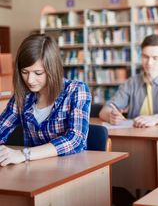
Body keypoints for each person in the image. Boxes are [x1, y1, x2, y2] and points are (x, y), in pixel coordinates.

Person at [0, 34, 91, 166]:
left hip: (71, 169)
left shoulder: (76, 90)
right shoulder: (23, 95)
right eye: (25, 72)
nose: (30, 80)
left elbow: (75, 140)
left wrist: (23, 154)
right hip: (32, 170)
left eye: (38, 73)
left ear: (52, 69)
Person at [99, 34, 158, 127]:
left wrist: (155, 118)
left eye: (155, 58)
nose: (149, 63)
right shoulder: (131, 83)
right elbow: (104, 110)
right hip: (135, 136)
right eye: (145, 57)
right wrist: (110, 116)